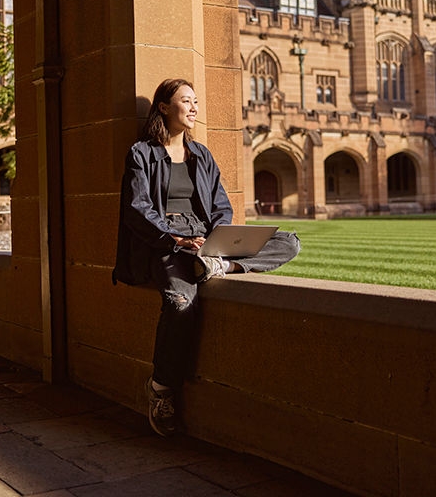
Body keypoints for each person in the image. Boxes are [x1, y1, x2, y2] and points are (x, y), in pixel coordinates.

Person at [112, 78, 300, 437]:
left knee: (289, 242)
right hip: (166, 241)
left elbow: (220, 204)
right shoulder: (141, 153)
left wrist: (217, 239)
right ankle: (161, 389)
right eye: (186, 101)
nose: (195, 107)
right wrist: (176, 239)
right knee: (181, 303)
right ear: (164, 107)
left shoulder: (203, 155)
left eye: (196, 101)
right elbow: (137, 209)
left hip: (204, 240)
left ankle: (221, 263)